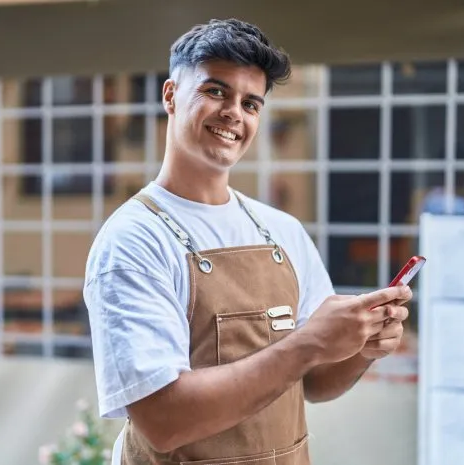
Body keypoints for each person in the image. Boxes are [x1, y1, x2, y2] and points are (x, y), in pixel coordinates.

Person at [83, 18, 412, 465]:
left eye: (251, 103)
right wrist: (309, 343)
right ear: (170, 96)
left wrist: (360, 348)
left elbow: (314, 383)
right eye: (216, 91)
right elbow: (163, 421)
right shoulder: (134, 241)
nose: (234, 113)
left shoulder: (282, 231)